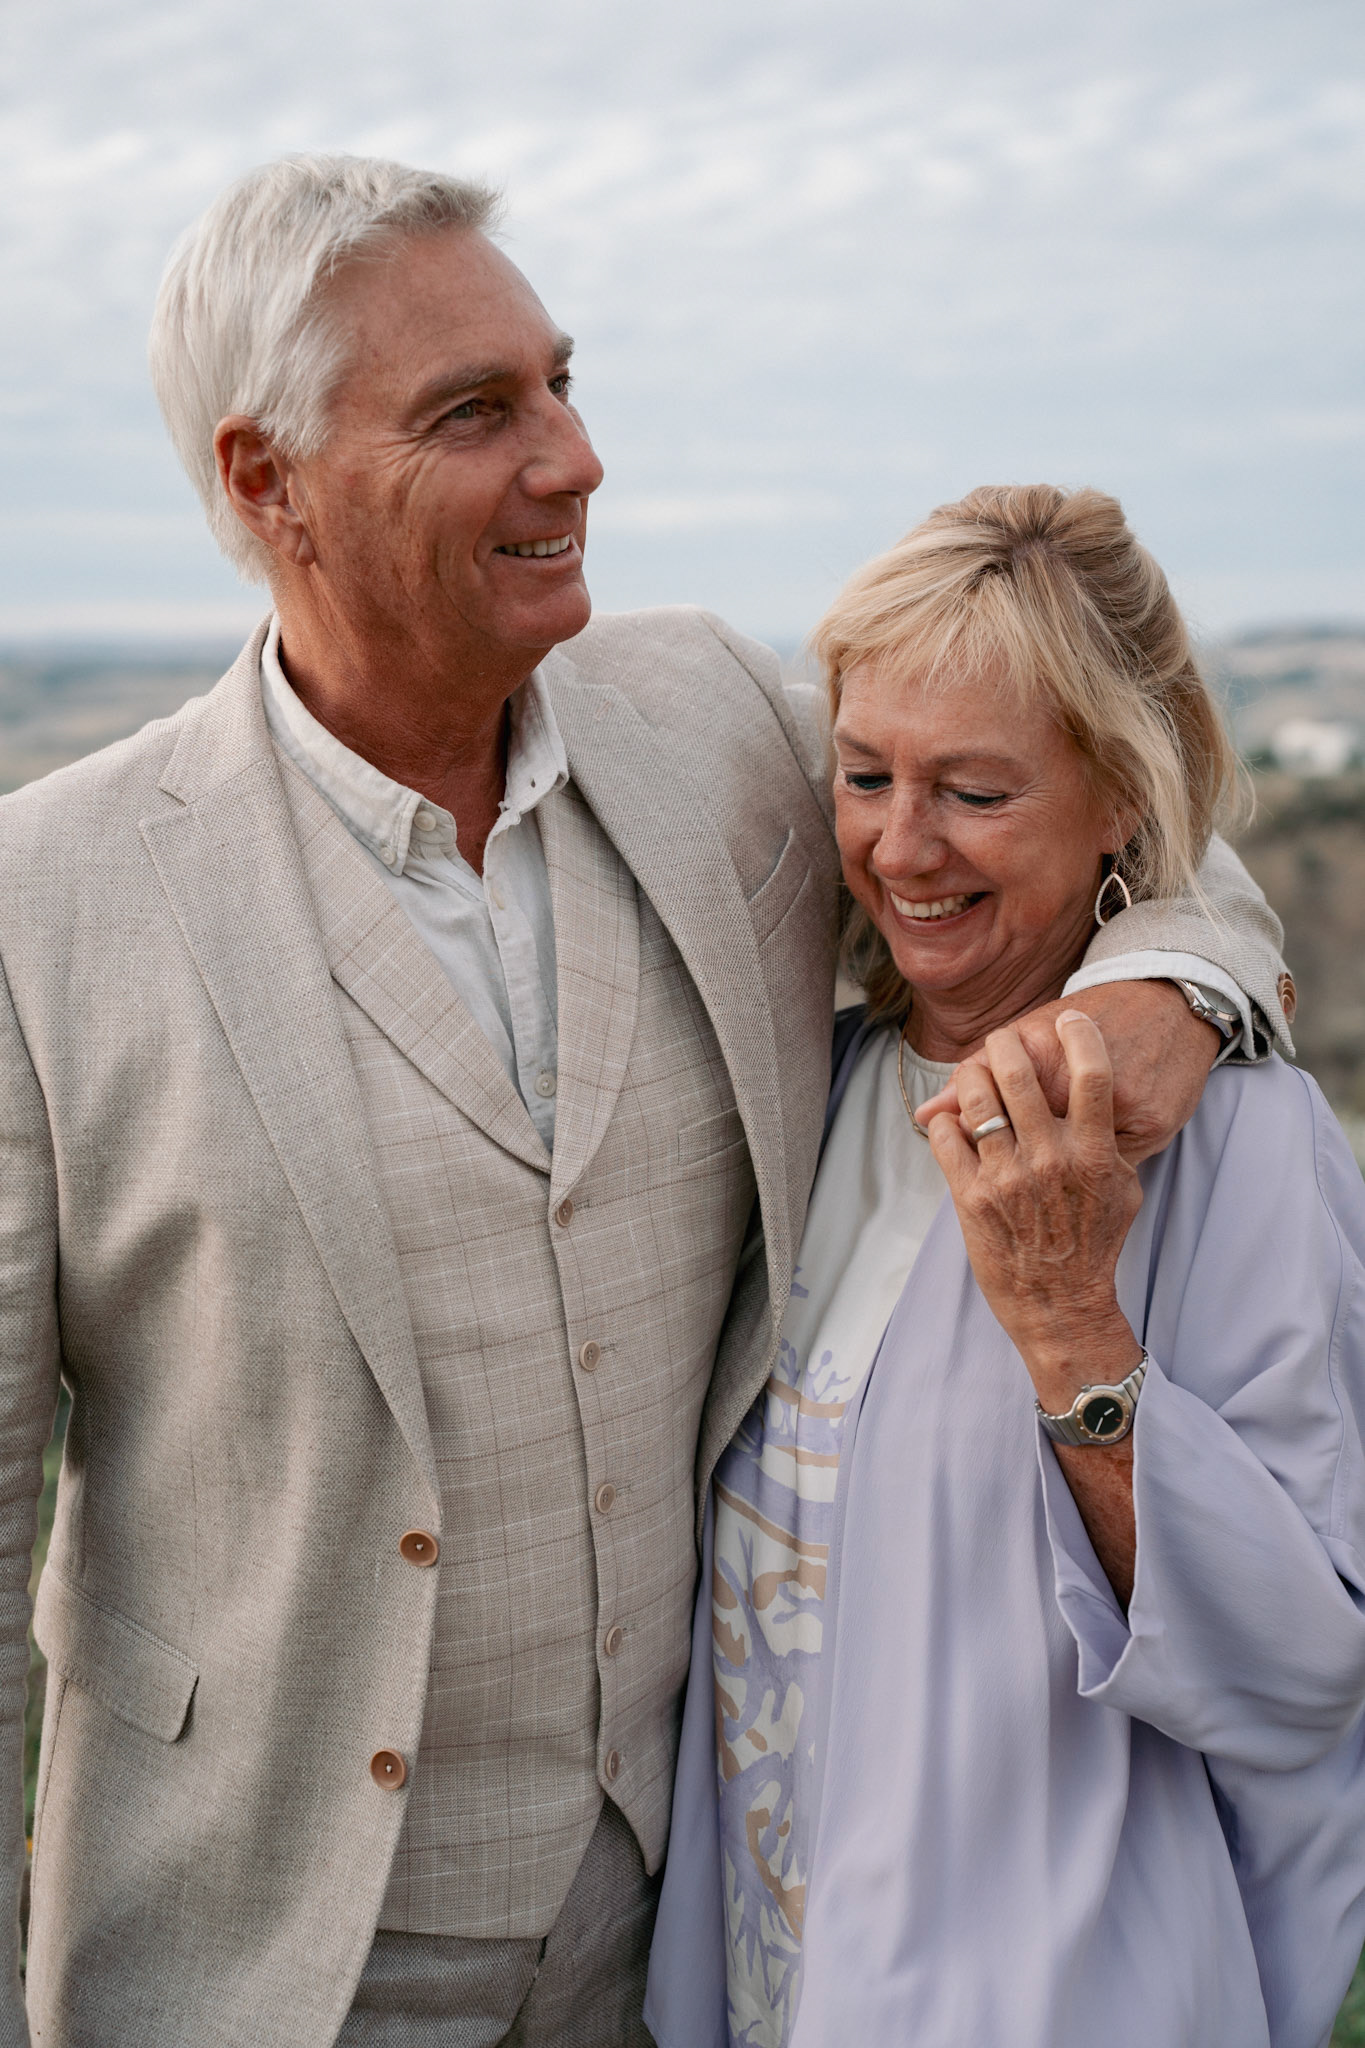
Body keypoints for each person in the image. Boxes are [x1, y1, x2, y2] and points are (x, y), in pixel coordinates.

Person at [0, 157, 1289, 2048]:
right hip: (247, 1957)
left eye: (560, 382)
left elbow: (1125, 817)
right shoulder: (43, 903)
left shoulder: (710, 720)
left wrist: (1164, 994)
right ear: (269, 482)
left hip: (679, 1937)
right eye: (475, 413)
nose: (575, 459)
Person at [645, 483, 1365, 2048]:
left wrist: (1068, 1330)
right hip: (766, 1981)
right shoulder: (815, 1084)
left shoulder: (1237, 1146)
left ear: (1120, 797)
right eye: (863, 776)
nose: (900, 847)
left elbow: (1303, 1668)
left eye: (973, 791)